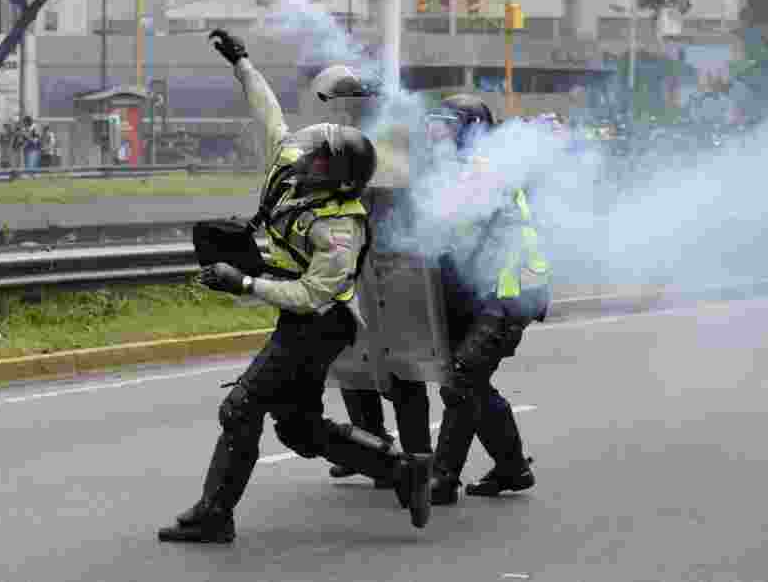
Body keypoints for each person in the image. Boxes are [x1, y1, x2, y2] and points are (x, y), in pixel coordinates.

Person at [158, 30, 434, 544]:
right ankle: (401, 468)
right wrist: (242, 62)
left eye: (319, 159)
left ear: (339, 178)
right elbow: (267, 112)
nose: (304, 157)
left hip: (322, 324)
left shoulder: (340, 228)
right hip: (301, 316)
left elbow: (312, 296)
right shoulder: (293, 166)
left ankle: (215, 514)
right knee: (298, 427)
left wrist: (242, 282)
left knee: (240, 408)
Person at [308, 66, 434, 488]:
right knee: (350, 359)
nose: (341, 111)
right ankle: (371, 449)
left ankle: (418, 456)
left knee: (400, 367)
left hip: (392, 267)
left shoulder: (391, 141)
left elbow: (374, 199)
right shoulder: (346, 141)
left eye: (347, 103)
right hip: (353, 267)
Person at [424, 95, 551, 506]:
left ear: (470, 130)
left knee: (461, 380)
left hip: (511, 294)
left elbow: (450, 220)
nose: (438, 133)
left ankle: (441, 479)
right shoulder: (455, 170)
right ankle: (513, 468)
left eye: (448, 126)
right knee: (472, 382)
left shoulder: (487, 169)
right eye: (436, 124)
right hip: (484, 290)